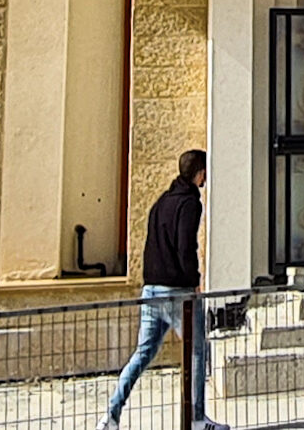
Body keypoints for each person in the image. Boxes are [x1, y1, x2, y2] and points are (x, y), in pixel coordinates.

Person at [99, 149, 226, 430]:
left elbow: (152, 244)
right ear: (200, 173)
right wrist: (193, 280)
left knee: (142, 354)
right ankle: (196, 419)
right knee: (197, 352)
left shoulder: (162, 202)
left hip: (152, 290)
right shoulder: (190, 203)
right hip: (178, 292)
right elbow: (186, 246)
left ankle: (110, 415)